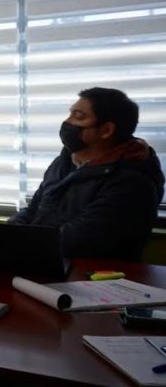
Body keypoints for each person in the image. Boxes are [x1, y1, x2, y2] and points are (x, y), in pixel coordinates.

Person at [9, 88, 164, 261]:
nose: (67, 122)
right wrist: (6, 234)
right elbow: (34, 209)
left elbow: (79, 241)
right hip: (43, 262)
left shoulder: (131, 182)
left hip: (90, 277)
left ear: (106, 130)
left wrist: (16, 243)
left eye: (79, 116)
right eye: (70, 115)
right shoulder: (64, 162)